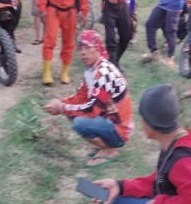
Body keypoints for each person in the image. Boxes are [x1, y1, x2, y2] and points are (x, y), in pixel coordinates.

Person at [42, 30, 133, 166]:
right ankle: (104, 145)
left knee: (79, 123)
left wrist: (62, 108)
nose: (83, 52)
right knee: (72, 114)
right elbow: (81, 95)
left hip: (119, 127)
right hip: (109, 119)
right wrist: (63, 103)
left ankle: (110, 150)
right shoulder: (92, 69)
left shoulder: (104, 73)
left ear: (97, 49)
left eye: (88, 47)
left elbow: (92, 109)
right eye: (80, 48)